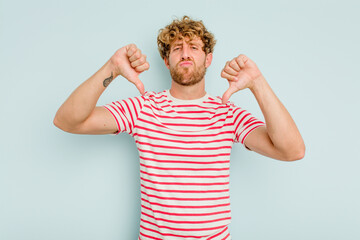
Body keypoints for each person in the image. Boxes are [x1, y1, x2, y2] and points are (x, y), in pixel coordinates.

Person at [54, 16, 305, 240]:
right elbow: (67, 120)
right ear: (166, 60)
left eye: (193, 47)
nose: (185, 54)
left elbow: (292, 150)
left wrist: (257, 83)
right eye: (177, 48)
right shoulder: (144, 108)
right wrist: (112, 67)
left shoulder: (227, 113)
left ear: (208, 59)